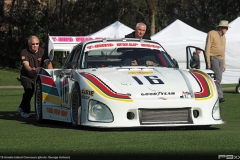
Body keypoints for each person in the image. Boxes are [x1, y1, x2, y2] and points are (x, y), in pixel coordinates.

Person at [17, 35, 53, 118]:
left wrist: (51, 72)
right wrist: (32, 70)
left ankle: (21, 108)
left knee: (31, 92)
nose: (35, 46)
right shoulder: (24, 52)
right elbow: (26, 65)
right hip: (26, 76)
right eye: (33, 44)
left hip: (36, 77)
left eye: (37, 44)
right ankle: (25, 111)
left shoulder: (42, 51)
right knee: (29, 90)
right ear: (29, 44)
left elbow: (48, 63)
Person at [205, 20, 229, 103]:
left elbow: (223, 51)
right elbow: (207, 47)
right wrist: (208, 60)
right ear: (221, 28)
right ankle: (219, 96)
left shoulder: (224, 37)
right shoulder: (211, 33)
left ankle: (214, 95)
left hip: (221, 59)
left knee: (219, 78)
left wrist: (224, 63)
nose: (227, 30)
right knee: (218, 77)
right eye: (226, 28)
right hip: (213, 57)